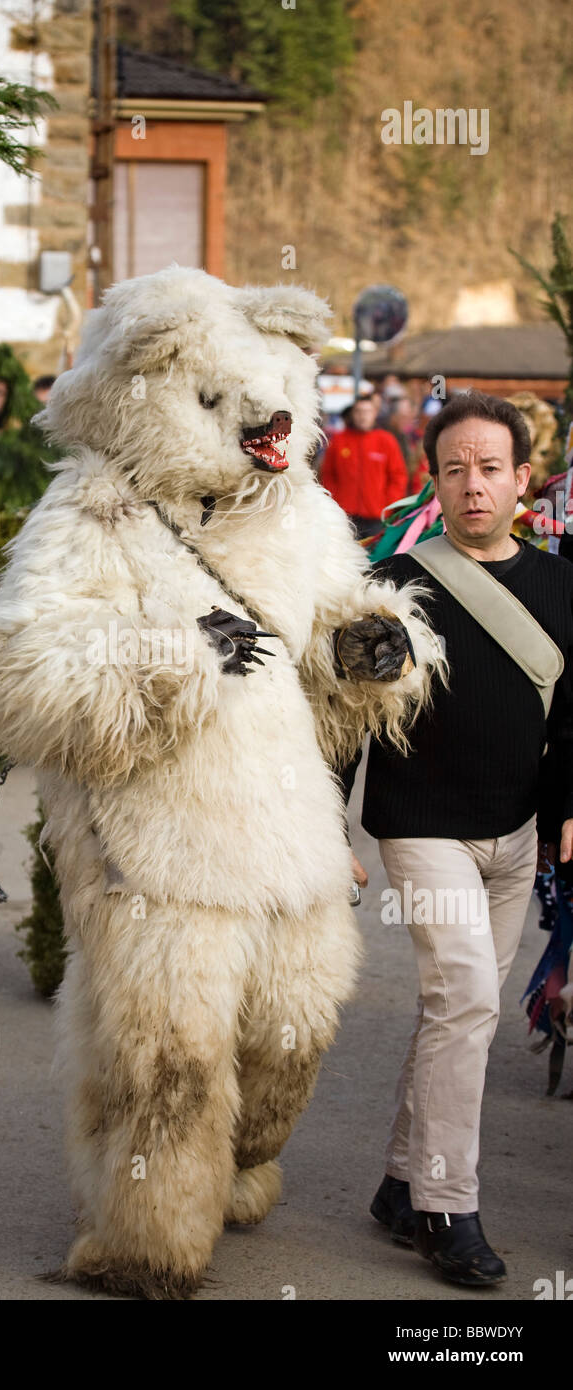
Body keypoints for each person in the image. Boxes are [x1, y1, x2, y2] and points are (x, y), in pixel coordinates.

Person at [341, 390, 573, 1286]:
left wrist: (566, 811)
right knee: (470, 996)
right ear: (432, 482)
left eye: (489, 469)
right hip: (424, 827)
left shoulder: (562, 587)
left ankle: (400, 1185)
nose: (472, 486)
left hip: (517, 834)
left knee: (458, 1012)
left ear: (522, 479)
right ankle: (447, 1207)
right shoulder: (394, 588)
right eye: (453, 471)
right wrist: (331, 823)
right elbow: (345, 713)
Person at [320, 393, 409, 539]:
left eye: (367, 412)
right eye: (359, 411)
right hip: (345, 516)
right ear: (353, 414)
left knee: (375, 559)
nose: (362, 416)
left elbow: (398, 476)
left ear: (374, 413)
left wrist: (388, 506)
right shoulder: (339, 441)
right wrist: (335, 502)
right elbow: (328, 474)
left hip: (377, 517)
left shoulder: (386, 441)